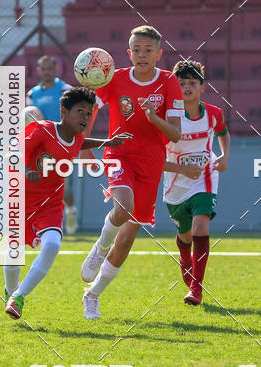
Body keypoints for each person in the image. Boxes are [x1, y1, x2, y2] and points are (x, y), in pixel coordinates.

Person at [80, 25, 184, 319]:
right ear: (129, 53)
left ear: (158, 54)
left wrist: (153, 118)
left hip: (151, 163)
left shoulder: (169, 82)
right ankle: (100, 247)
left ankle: (93, 295)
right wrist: (85, 145)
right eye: (136, 50)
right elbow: (89, 108)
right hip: (119, 153)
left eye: (148, 50)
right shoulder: (115, 79)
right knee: (123, 207)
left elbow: (175, 134)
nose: (142, 55)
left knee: (126, 238)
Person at [4, 87, 131, 319]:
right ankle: (11, 291)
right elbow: (10, 155)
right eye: (80, 111)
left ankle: (19, 297)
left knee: (52, 245)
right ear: (63, 111)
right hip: (21, 199)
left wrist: (108, 142)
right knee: (14, 252)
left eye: (88, 113)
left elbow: (80, 142)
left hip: (51, 202)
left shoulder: (76, 137)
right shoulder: (42, 130)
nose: (85, 117)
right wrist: (26, 170)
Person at [163, 60, 230, 305]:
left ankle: (196, 289)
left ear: (202, 87)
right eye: (181, 83)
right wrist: (182, 169)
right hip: (175, 185)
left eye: (192, 83)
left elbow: (223, 132)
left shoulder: (213, 113)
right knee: (185, 234)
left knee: (200, 227)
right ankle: (184, 255)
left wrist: (224, 156)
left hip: (205, 178)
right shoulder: (167, 119)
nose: (187, 87)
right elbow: (154, 160)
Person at [27, 55, 78, 235]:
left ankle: (70, 210)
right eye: (43, 69)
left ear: (56, 69)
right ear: (38, 70)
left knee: (64, 188)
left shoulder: (65, 90)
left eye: (50, 68)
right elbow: (28, 119)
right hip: (40, 147)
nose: (46, 72)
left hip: (62, 144)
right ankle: (42, 224)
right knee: (38, 185)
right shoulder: (32, 94)